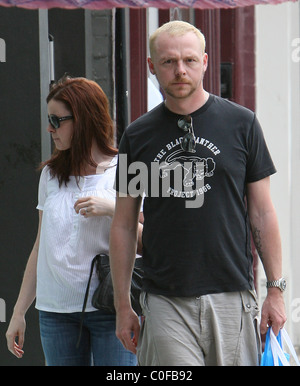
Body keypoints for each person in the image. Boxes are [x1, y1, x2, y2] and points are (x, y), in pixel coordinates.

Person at [109, 21, 287, 366]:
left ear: (205, 62)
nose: (180, 71)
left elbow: (262, 212)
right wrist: (122, 305)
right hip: (165, 300)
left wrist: (275, 290)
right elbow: (124, 224)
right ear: (151, 66)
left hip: (231, 294)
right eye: (168, 62)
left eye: (189, 60)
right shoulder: (138, 135)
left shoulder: (242, 123)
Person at [6, 76, 141, 366]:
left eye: (57, 120)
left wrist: (111, 208)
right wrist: (19, 312)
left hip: (112, 308)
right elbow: (41, 245)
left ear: (84, 119)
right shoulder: (51, 175)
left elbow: (148, 239)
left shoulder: (127, 169)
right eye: (48, 119)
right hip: (55, 313)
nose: (49, 128)